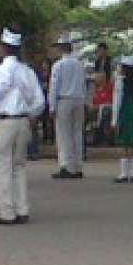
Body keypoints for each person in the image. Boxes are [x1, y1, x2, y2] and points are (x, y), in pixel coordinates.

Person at [0, 28, 46, 225]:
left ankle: (7, 212)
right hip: (23, 121)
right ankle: (23, 209)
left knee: (2, 166)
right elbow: (39, 100)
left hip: (4, 121)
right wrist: (31, 114)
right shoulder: (27, 71)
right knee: (19, 166)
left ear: (3, 48)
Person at [49, 36, 87, 179]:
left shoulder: (58, 65)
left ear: (61, 48)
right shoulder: (79, 64)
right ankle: (77, 165)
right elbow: (84, 84)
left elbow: (54, 87)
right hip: (78, 99)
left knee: (63, 134)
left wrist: (52, 106)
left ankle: (66, 165)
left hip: (63, 100)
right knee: (77, 133)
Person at [112, 56, 133, 183]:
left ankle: (124, 174)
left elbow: (117, 101)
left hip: (124, 112)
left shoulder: (120, 82)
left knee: (124, 143)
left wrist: (114, 120)